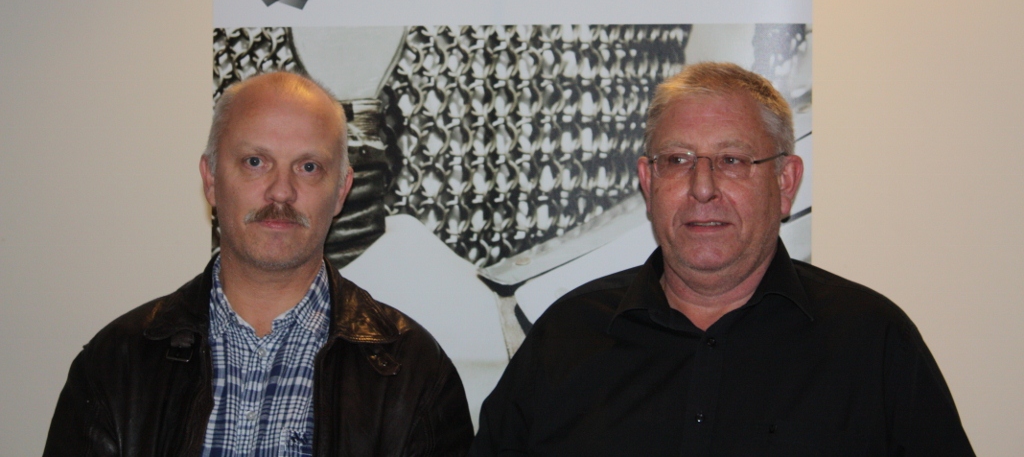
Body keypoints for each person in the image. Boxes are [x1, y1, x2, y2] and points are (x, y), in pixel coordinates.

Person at [470, 62, 974, 456]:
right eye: (678, 160)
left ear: (785, 182)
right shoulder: (566, 337)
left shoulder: (872, 343)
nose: (703, 188)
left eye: (732, 161)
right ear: (648, 182)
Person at [44, 71, 474, 457]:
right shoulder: (116, 364)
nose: (281, 191)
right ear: (211, 179)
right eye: (255, 162)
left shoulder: (416, 375)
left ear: (341, 191)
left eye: (308, 167)